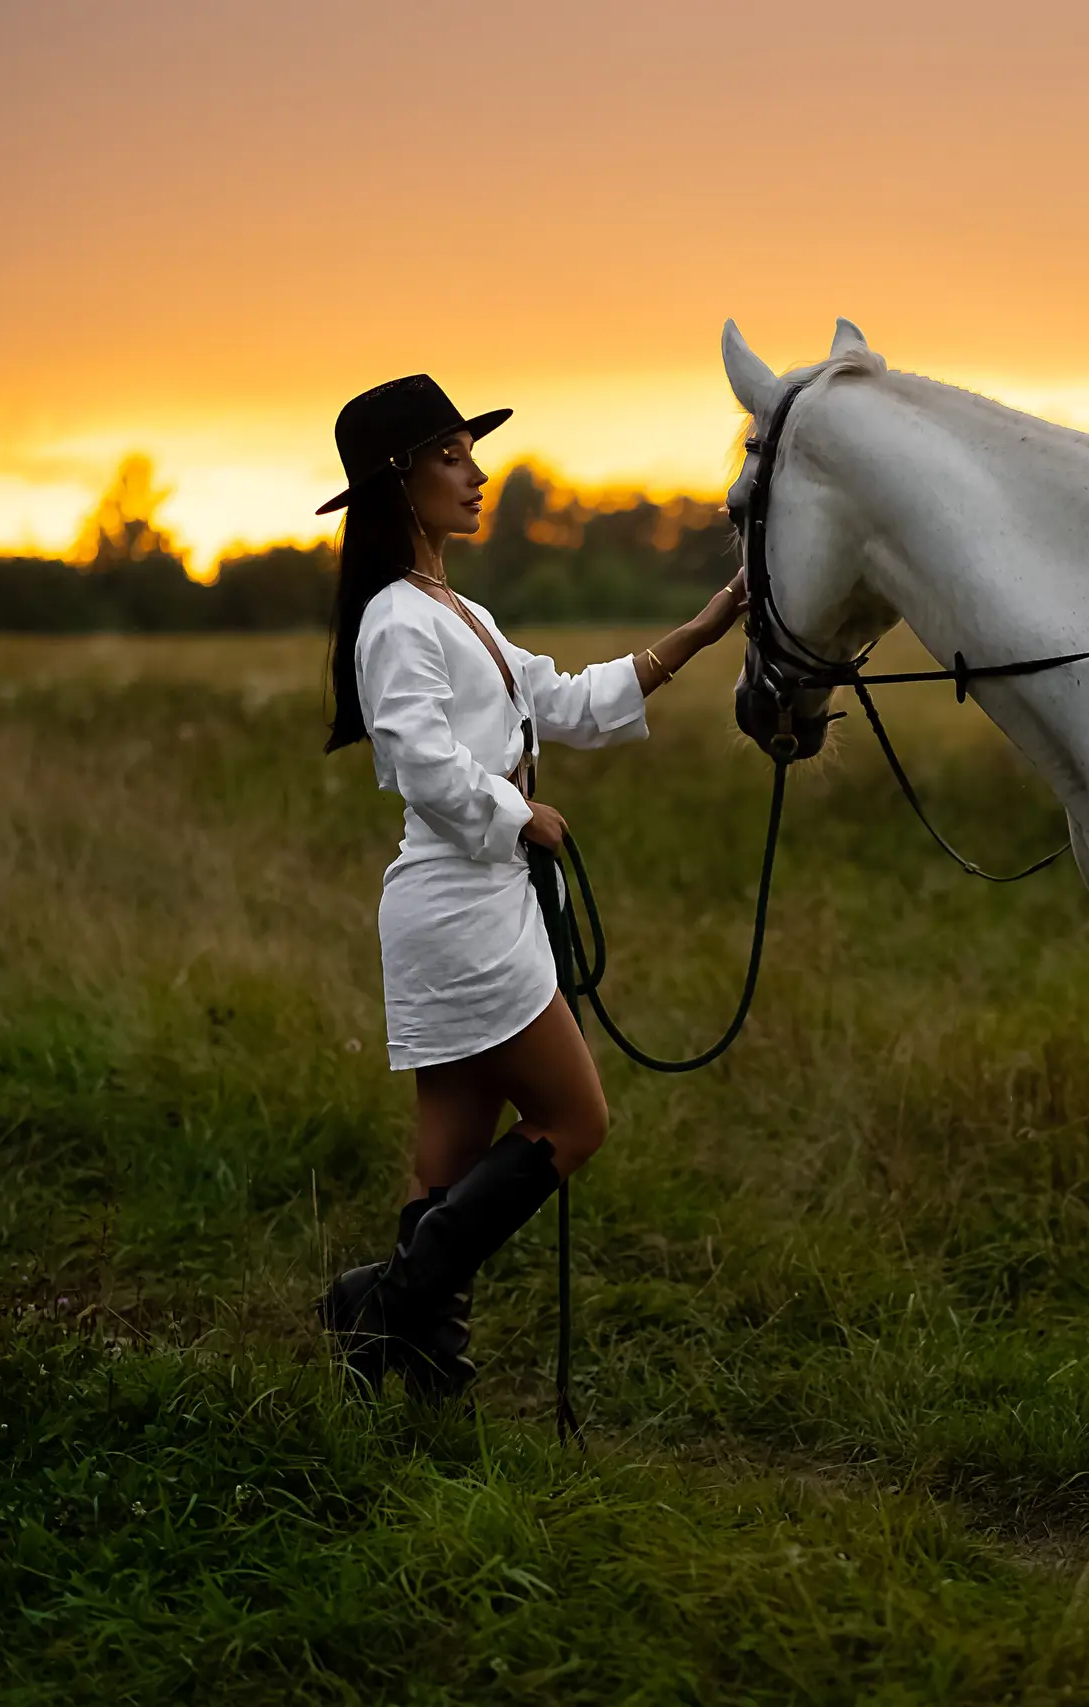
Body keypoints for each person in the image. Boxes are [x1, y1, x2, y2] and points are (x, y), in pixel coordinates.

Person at [311, 374, 744, 1397]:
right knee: (576, 1121)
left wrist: (700, 630)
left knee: (443, 1169)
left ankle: (408, 1368)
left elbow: (567, 701)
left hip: (476, 905)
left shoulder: (459, 611)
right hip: (459, 908)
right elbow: (420, 762)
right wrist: (519, 814)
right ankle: (378, 1304)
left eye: (470, 451)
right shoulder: (395, 620)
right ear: (398, 478)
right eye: (452, 456)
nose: (477, 472)